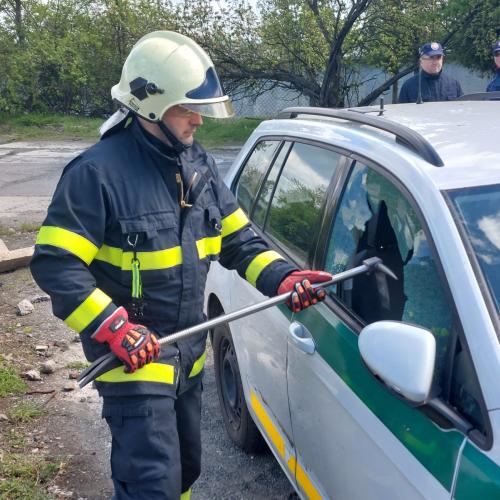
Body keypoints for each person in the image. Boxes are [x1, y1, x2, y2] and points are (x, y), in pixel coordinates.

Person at [30, 31, 332, 500]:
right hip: (132, 362)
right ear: (151, 107)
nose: (198, 121)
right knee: (153, 484)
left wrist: (284, 277)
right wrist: (115, 327)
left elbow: (239, 242)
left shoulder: (198, 166)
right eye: (187, 109)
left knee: (186, 472)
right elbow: (56, 264)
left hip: (187, 356)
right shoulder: (96, 174)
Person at [398, 42, 463, 103]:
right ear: (421, 60)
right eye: (431, 58)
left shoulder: (454, 84)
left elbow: (462, 110)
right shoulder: (409, 86)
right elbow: (401, 113)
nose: (435, 62)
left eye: (438, 57)